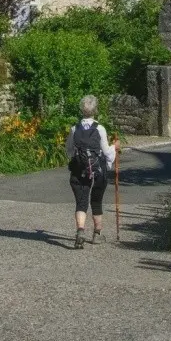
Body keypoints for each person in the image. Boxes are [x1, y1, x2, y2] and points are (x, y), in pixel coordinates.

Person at [65, 95, 117, 249]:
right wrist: (116, 147)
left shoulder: (74, 129)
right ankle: (97, 234)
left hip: (79, 170)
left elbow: (68, 150)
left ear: (82, 110)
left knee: (81, 203)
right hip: (97, 171)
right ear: (96, 110)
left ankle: (80, 231)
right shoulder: (100, 129)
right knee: (96, 201)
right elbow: (107, 152)